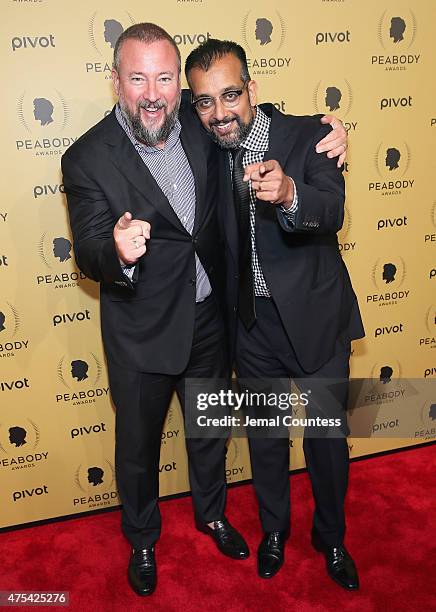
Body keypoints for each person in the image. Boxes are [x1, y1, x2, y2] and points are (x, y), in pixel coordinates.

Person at [61, 23, 348, 597]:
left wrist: (332, 130)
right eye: (138, 77)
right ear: (116, 82)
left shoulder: (198, 124)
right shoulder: (88, 157)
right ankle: (142, 537)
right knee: (138, 449)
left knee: (210, 433)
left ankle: (213, 514)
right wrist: (115, 251)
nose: (152, 91)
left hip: (214, 323)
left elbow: (250, 117)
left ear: (179, 89)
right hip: (142, 331)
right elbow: (90, 246)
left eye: (164, 78)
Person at [186, 39, 364, 590]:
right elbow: (136, 131)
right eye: (205, 101)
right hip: (251, 324)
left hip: (314, 317)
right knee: (265, 437)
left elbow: (331, 209)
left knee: (327, 438)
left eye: (231, 95)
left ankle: (331, 538)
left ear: (252, 90)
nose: (220, 112)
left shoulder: (309, 135)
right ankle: (274, 531)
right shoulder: (205, 148)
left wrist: (289, 193)